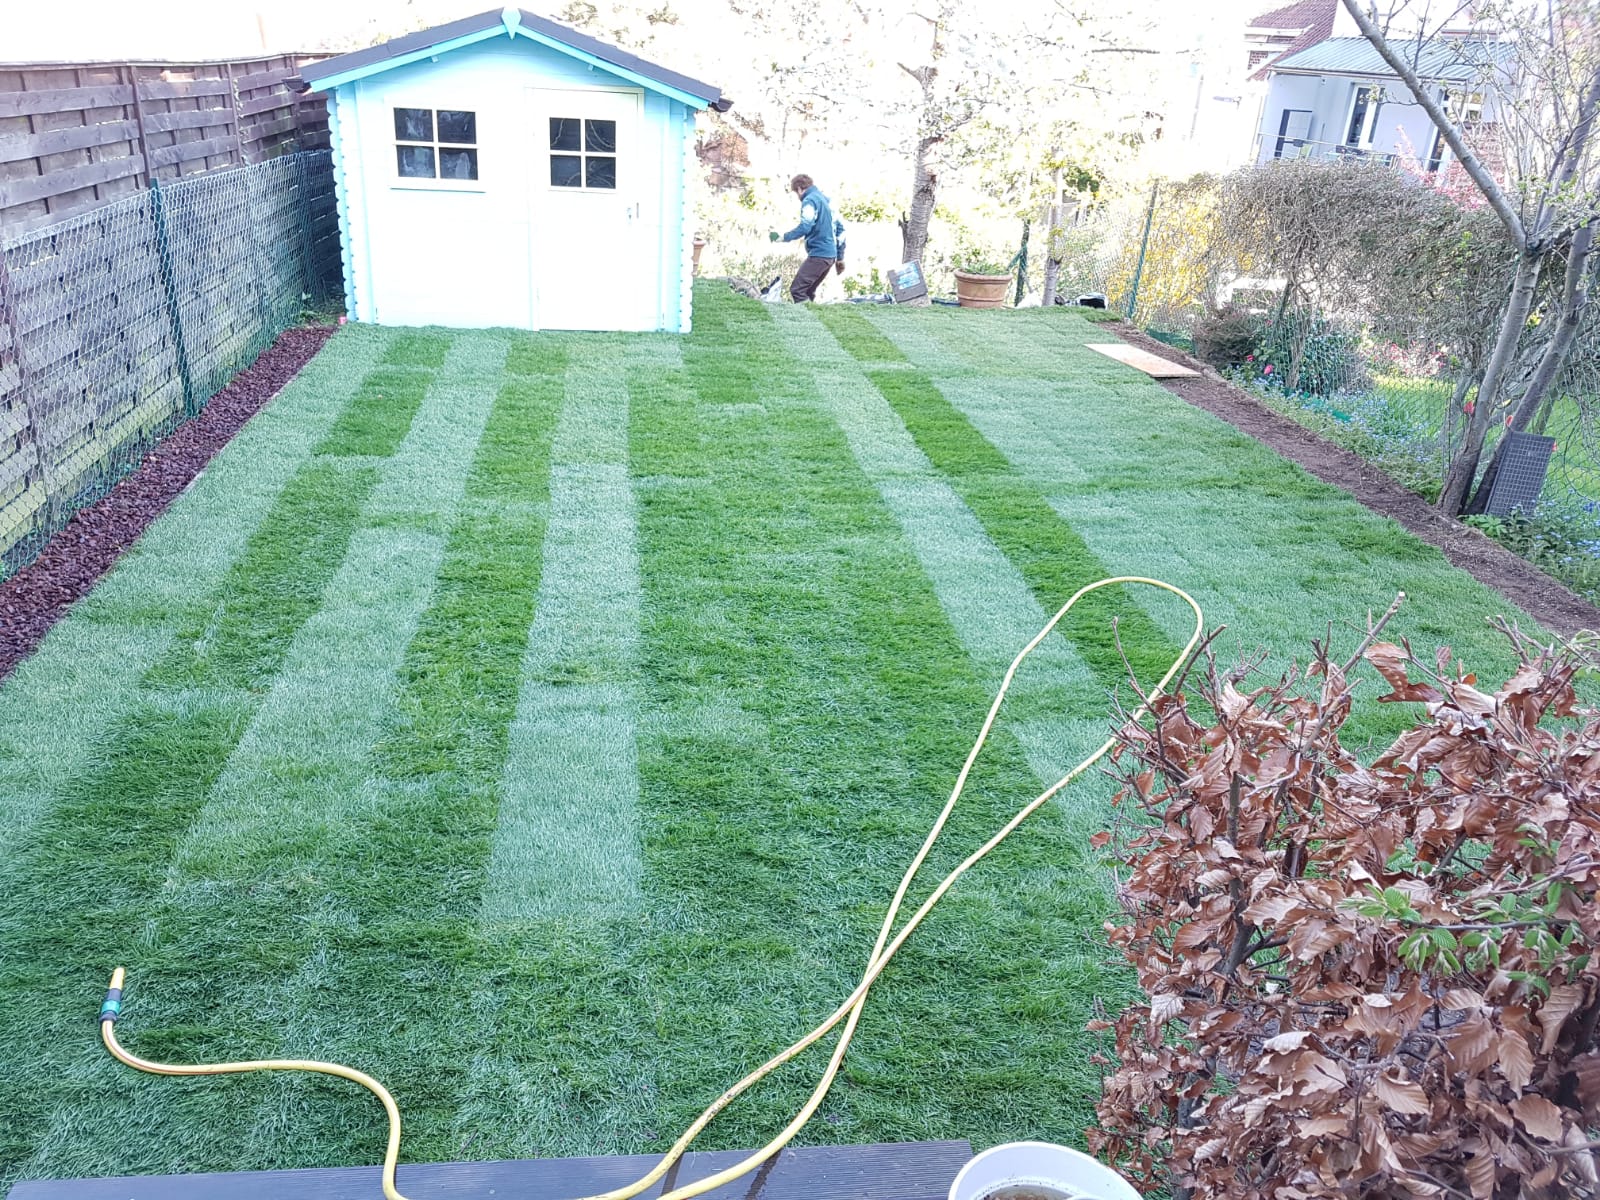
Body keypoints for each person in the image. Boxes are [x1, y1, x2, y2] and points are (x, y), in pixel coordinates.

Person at [770, 174, 844, 302]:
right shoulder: (826, 200)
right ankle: (814, 318)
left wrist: (783, 237)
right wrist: (840, 257)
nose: (798, 197)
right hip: (830, 256)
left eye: (796, 193)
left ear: (799, 189)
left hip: (819, 254)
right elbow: (840, 229)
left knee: (797, 290)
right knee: (808, 291)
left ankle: (807, 320)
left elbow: (806, 226)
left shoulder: (809, 200)